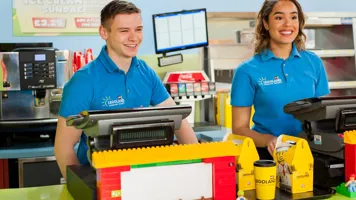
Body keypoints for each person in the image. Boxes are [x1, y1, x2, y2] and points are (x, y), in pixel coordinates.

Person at [54, 0, 198, 179]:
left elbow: (178, 120)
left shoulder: (146, 72)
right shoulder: (83, 81)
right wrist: (82, 187)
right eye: (124, 31)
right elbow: (63, 147)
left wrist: (198, 165)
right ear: (103, 32)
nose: (134, 37)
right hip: (99, 177)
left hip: (143, 174)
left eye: (138, 29)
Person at [230, 0, 330, 159]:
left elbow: (324, 115)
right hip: (268, 155)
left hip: (309, 152)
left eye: (293, 17)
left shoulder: (313, 62)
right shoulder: (247, 71)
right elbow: (239, 128)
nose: (287, 24)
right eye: (279, 18)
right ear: (266, 23)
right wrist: (268, 140)